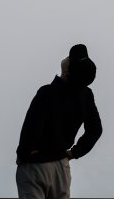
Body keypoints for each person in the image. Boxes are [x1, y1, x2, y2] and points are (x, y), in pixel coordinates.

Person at [15, 44, 103, 199]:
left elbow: (31, 130)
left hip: (36, 166)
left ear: (68, 71)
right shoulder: (86, 96)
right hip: (62, 167)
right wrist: (74, 153)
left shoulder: (47, 93)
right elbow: (95, 130)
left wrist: (22, 155)